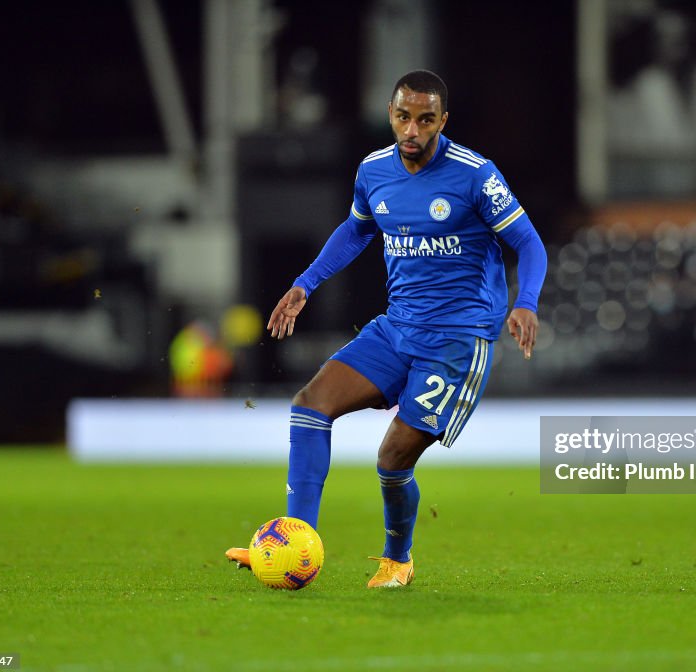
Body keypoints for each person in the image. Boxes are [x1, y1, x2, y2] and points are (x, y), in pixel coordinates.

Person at [226, 70, 547, 586]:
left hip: (457, 340)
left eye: (425, 119)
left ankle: (398, 558)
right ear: (390, 115)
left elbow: (529, 243)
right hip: (397, 328)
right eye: (403, 117)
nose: (412, 129)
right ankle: (294, 544)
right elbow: (356, 230)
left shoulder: (475, 175)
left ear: (443, 120)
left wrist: (525, 302)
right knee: (309, 406)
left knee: (392, 457)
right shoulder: (374, 170)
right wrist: (306, 284)